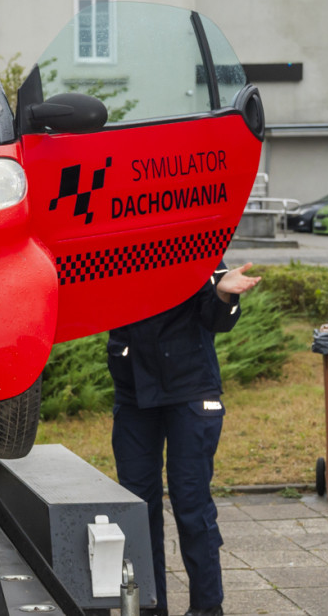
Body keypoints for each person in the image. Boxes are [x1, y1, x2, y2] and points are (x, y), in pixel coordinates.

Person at [107, 261, 261, 616]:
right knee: (137, 509)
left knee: (191, 505)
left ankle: (207, 608)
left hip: (190, 389)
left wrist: (223, 293)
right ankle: (148, 607)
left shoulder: (194, 241)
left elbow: (217, 321)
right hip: (133, 395)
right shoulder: (114, 239)